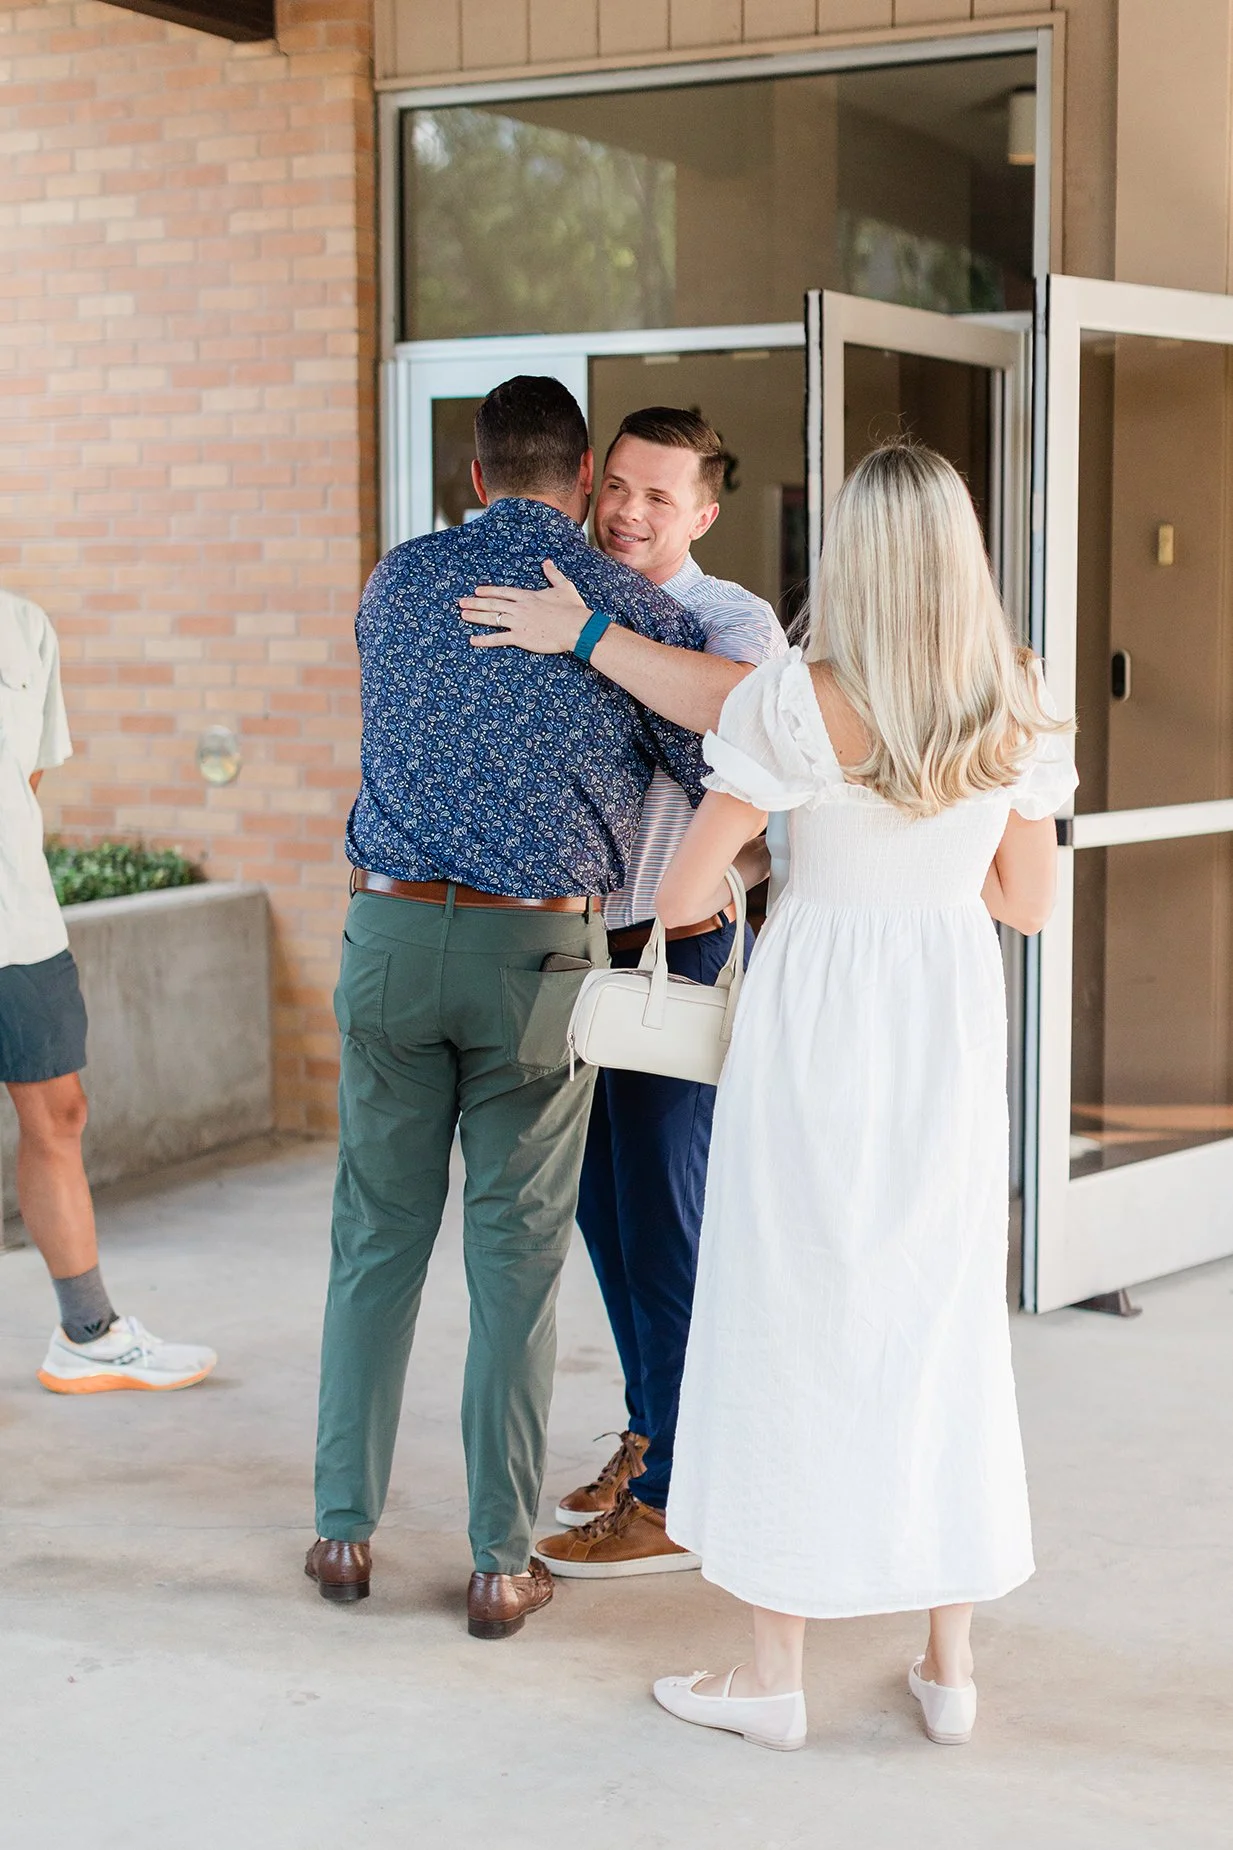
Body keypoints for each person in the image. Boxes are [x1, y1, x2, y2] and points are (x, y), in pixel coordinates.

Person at [647, 444, 1077, 1752]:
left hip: (814, 1022)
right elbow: (1030, 903)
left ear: (851, 556)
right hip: (941, 1023)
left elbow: (679, 892)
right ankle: (947, 1669)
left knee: (790, 1312)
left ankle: (774, 1674)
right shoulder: (1013, 698)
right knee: (936, 1316)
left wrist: (778, 882)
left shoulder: (791, 700)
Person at [308, 376, 712, 1639]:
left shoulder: (393, 580)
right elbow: (723, 764)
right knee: (515, 1265)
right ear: (585, 481)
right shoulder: (626, 605)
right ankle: (496, 1558)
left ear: (476, 476)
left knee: (375, 1240)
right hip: (538, 960)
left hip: (385, 930)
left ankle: (341, 1531)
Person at [460, 407, 787, 1578]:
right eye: (623, 490)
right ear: (594, 484)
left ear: (703, 513)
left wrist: (588, 628)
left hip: (669, 945)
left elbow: (753, 742)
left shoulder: (729, 618)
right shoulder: (556, 586)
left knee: (665, 1215)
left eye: (664, 498)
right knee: (598, 1209)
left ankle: (681, 1489)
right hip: (572, 949)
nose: (633, 514)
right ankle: (657, 1436)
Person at [0, 587, 217, 1393]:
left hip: (17, 923)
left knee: (59, 1114)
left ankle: (87, 1333)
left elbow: (23, 782)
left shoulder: (23, 628)